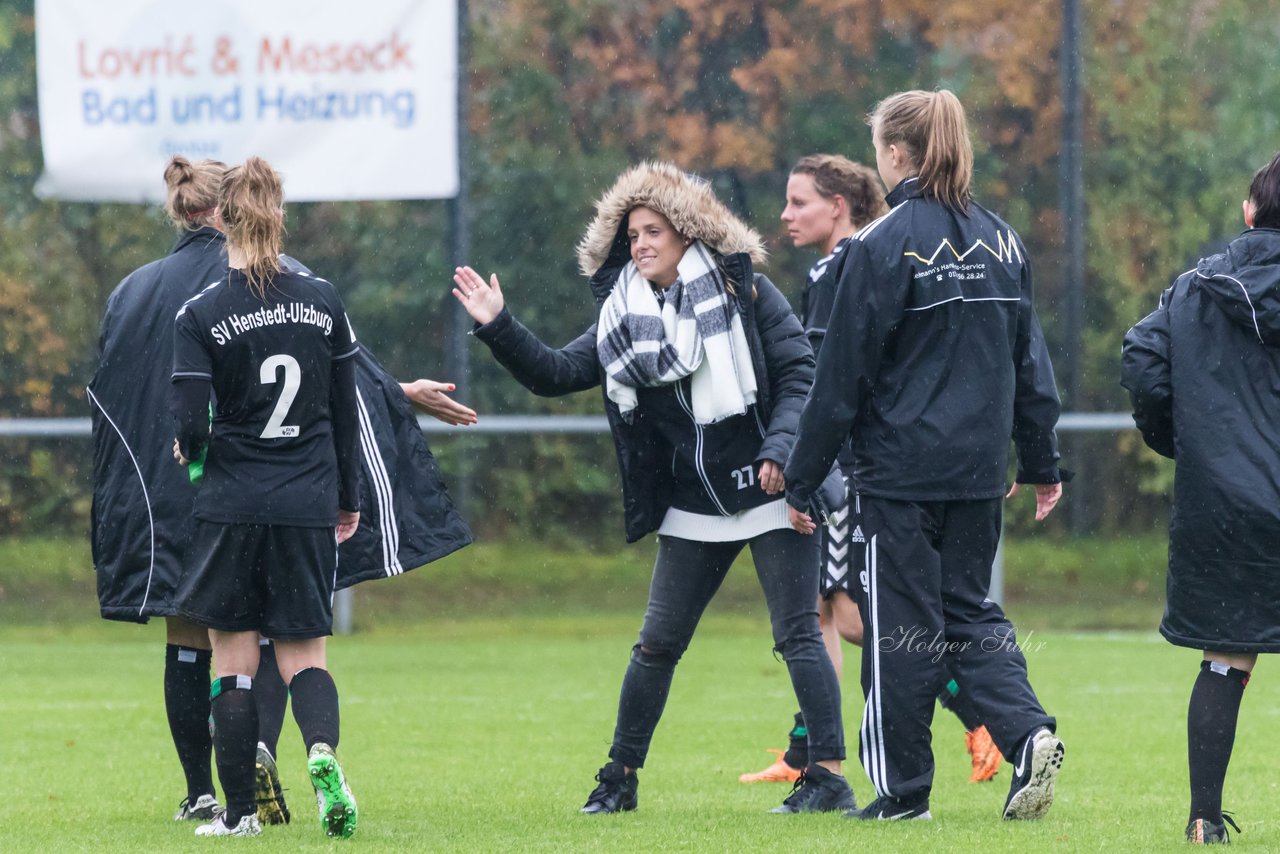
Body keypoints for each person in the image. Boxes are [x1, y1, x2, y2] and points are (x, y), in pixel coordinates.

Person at [454, 161, 854, 815]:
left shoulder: (748, 296)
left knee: (798, 636)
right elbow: (555, 373)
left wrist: (781, 456)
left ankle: (828, 779)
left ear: (688, 235)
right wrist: (497, 323)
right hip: (692, 505)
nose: (639, 244)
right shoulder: (624, 314)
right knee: (657, 644)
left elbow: (800, 376)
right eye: (632, 234)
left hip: (767, 489)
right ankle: (619, 780)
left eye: (653, 232)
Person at [90, 157, 474, 828]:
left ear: (184, 210)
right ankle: (273, 751)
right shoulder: (296, 282)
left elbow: (116, 391)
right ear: (235, 208)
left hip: (185, 485)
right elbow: (338, 378)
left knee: (196, 641)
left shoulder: (136, 291)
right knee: (280, 638)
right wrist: (398, 394)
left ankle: (205, 793)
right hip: (291, 488)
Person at [783, 90, 1068, 822]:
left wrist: (803, 475)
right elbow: (1030, 364)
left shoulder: (879, 246)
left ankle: (904, 793)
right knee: (971, 614)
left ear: (895, 153)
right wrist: (1041, 461)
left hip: (899, 477)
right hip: (978, 474)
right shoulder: (1004, 239)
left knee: (898, 631)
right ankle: (1027, 732)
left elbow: (839, 378)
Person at [742, 154, 1002, 787]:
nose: (785, 214)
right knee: (830, 612)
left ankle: (980, 718)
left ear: (840, 205)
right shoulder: (849, 262)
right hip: (853, 467)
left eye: (799, 201)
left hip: (859, 472)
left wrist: (812, 464)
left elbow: (835, 380)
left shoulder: (850, 264)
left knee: (856, 618)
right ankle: (808, 748)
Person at [170, 156, 360, 838]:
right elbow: (345, 409)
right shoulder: (324, 300)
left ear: (220, 217)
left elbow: (191, 424)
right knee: (306, 654)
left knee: (233, 663)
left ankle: (240, 815)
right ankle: (319, 752)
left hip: (232, 503)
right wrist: (349, 496)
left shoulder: (201, 312)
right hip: (308, 498)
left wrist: (190, 451)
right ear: (281, 214)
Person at [1121, 151, 1280, 845]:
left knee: (1227, 656)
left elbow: (1141, 359)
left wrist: (1188, 443)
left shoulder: (1195, 288)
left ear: (1250, 212)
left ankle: (1203, 819)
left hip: (1228, 502)